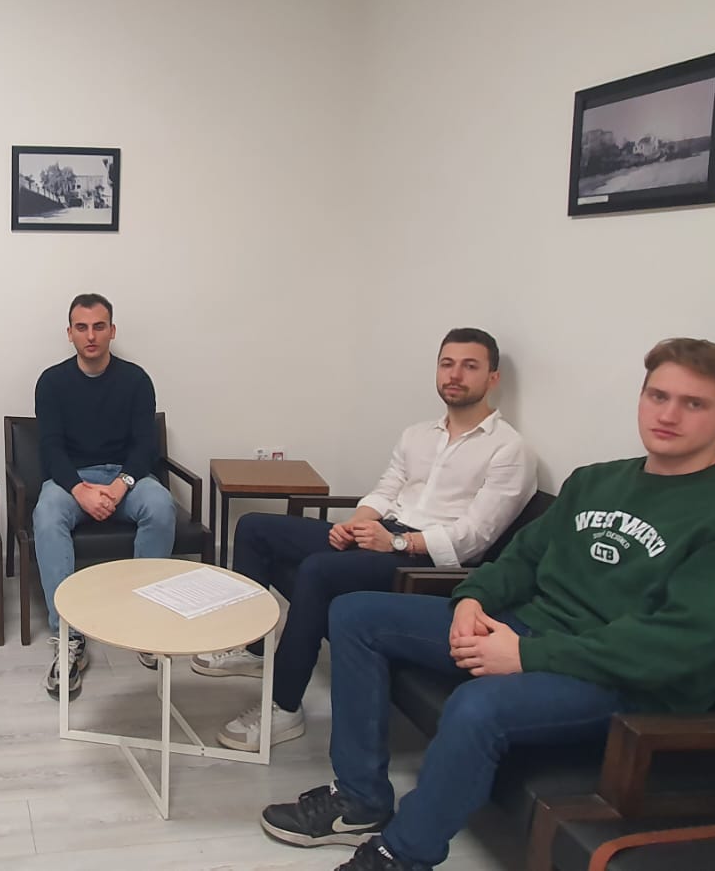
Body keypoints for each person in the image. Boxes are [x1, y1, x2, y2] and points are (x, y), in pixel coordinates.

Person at [257, 338, 715, 871]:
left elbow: (676, 647)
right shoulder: (596, 481)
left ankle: (401, 854)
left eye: (694, 403)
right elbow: (522, 559)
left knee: (478, 706)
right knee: (356, 614)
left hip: (623, 681)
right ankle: (360, 798)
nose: (668, 415)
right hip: (527, 630)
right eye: (658, 396)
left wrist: (525, 657)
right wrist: (473, 598)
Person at [198, 329, 536, 752]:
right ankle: (253, 650)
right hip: (384, 533)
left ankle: (284, 706)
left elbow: (474, 537)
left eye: (470, 366)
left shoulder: (509, 450)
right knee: (254, 527)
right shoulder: (418, 434)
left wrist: (398, 544)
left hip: (430, 563)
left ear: (492, 378)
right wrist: (356, 523)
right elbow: (386, 489)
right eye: (447, 364)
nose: (455, 375)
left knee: (318, 570)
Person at [33, 293, 176, 697]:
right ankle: (69, 636)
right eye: (82, 327)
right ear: (70, 333)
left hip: (124, 479)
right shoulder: (52, 382)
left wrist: (118, 487)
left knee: (161, 505)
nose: (91, 335)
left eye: (99, 327)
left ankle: (145, 620)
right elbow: (51, 448)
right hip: (72, 480)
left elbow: (144, 446)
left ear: (112, 331)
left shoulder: (136, 380)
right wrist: (79, 490)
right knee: (46, 515)